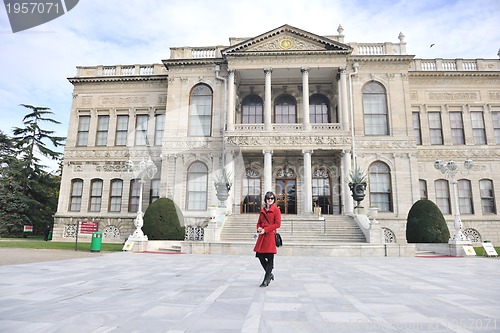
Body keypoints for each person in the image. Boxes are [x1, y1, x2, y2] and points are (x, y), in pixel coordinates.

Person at [253, 191, 281, 287]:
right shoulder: (263, 210)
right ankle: (269, 274)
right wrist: (259, 228)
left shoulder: (276, 210)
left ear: (274, 200)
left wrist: (266, 230)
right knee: (260, 256)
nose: (270, 200)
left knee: (270, 257)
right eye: (268, 198)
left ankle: (266, 279)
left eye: (272, 198)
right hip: (262, 236)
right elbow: (259, 222)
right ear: (265, 199)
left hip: (270, 235)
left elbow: (277, 224)